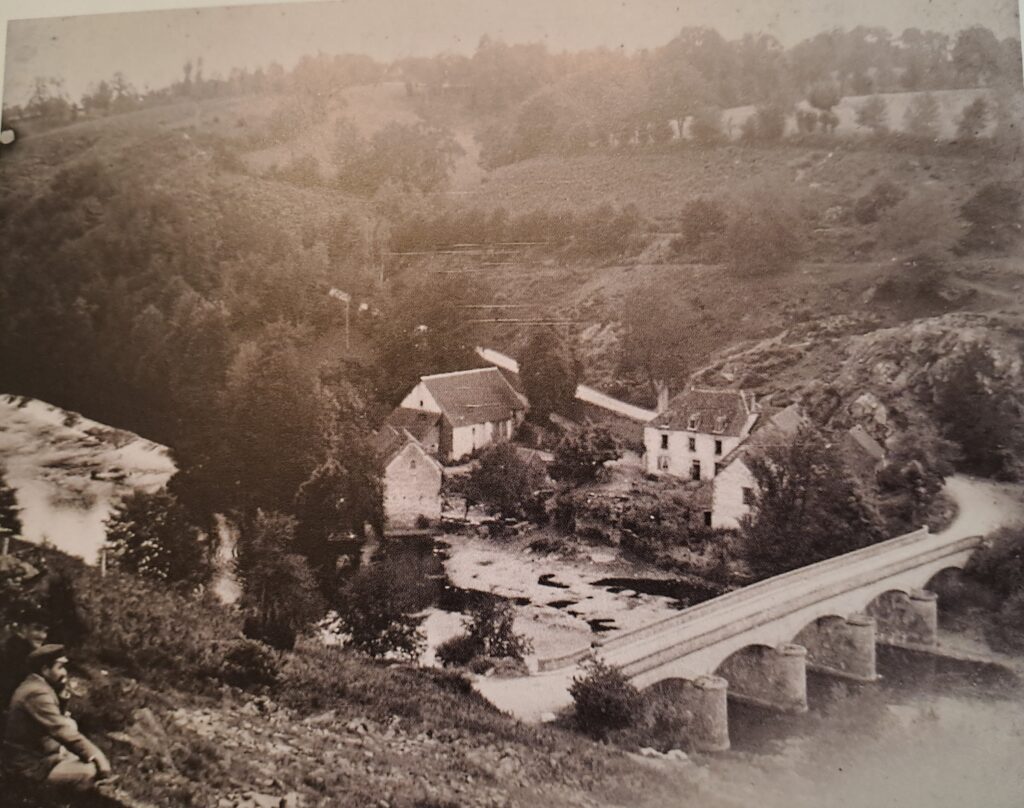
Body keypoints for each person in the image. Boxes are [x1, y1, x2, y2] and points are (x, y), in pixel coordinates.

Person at [3, 644, 112, 789]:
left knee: (80, 756)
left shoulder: (36, 685)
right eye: (59, 667)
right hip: (28, 765)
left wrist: (62, 699)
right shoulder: (36, 693)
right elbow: (61, 730)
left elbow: (56, 723)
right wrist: (98, 757)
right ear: (45, 670)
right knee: (88, 771)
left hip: (38, 755)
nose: (65, 673)